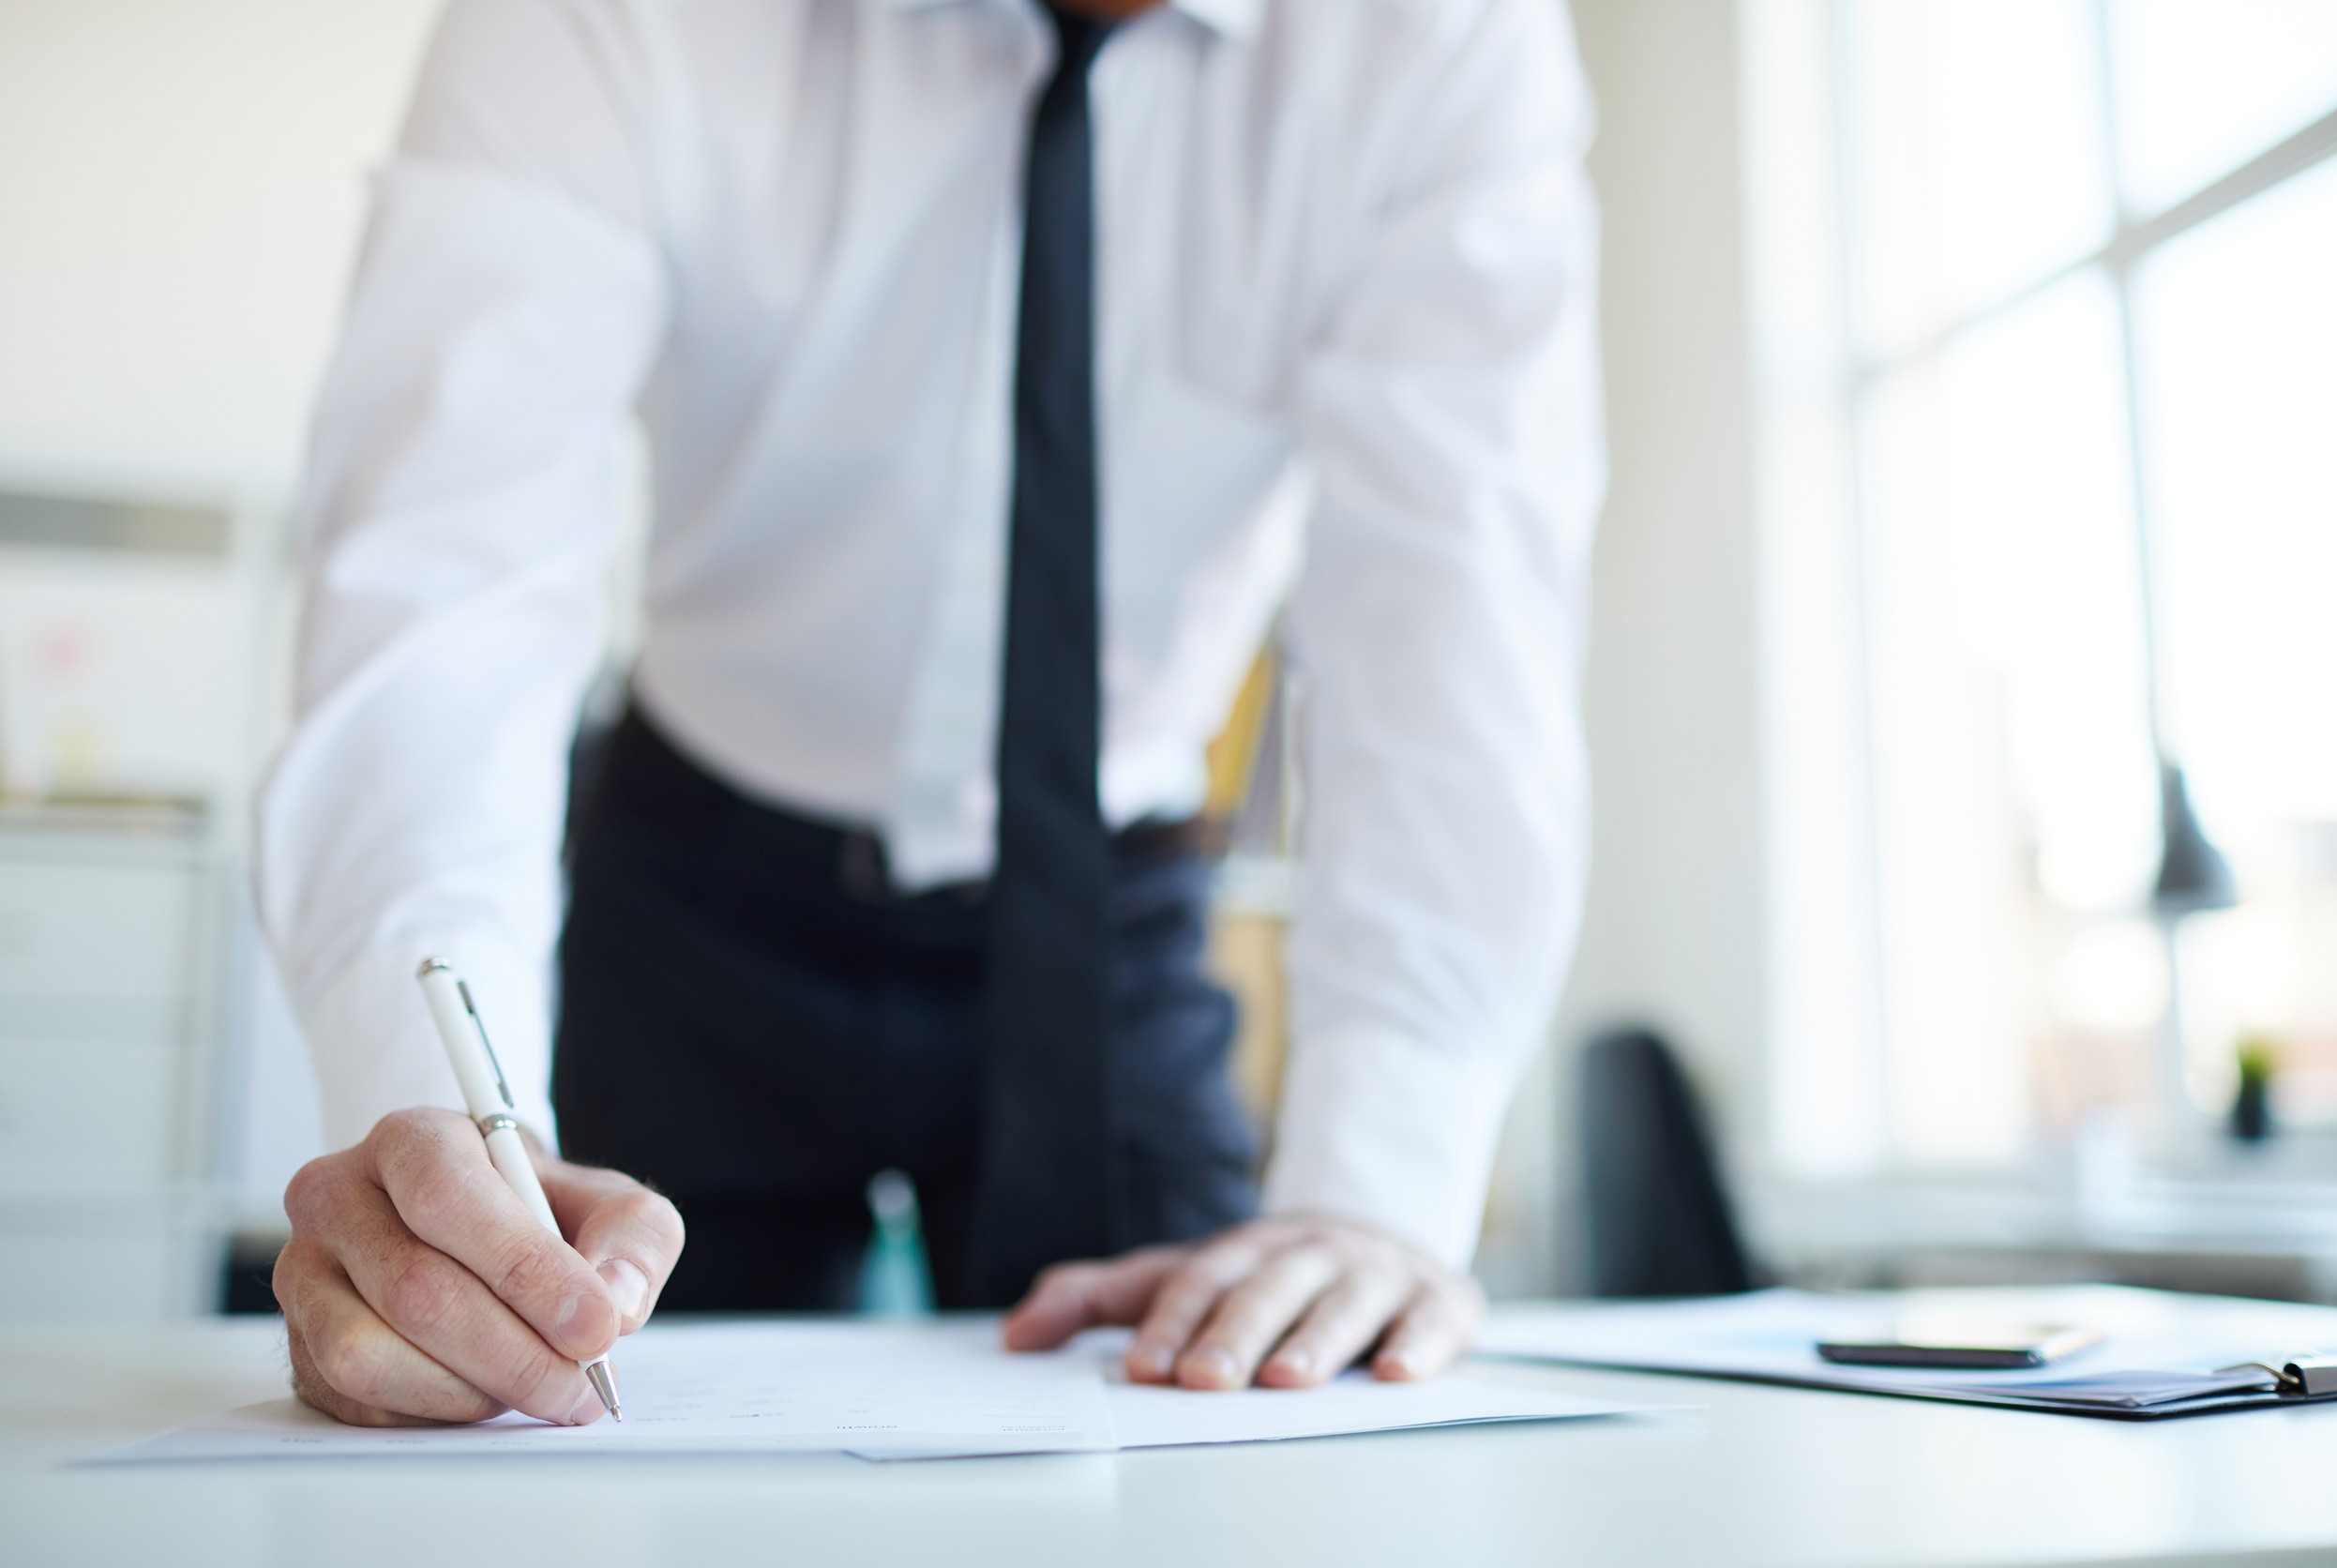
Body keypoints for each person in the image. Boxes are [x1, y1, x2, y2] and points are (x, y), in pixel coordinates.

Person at [259, 0, 1600, 1428]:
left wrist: (1376, 1193)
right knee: (571, 1429)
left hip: (1104, 922)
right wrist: (442, 1147)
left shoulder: (1445, 41)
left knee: (1205, 1438)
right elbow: (447, 578)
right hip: (698, 896)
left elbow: (1455, 609)